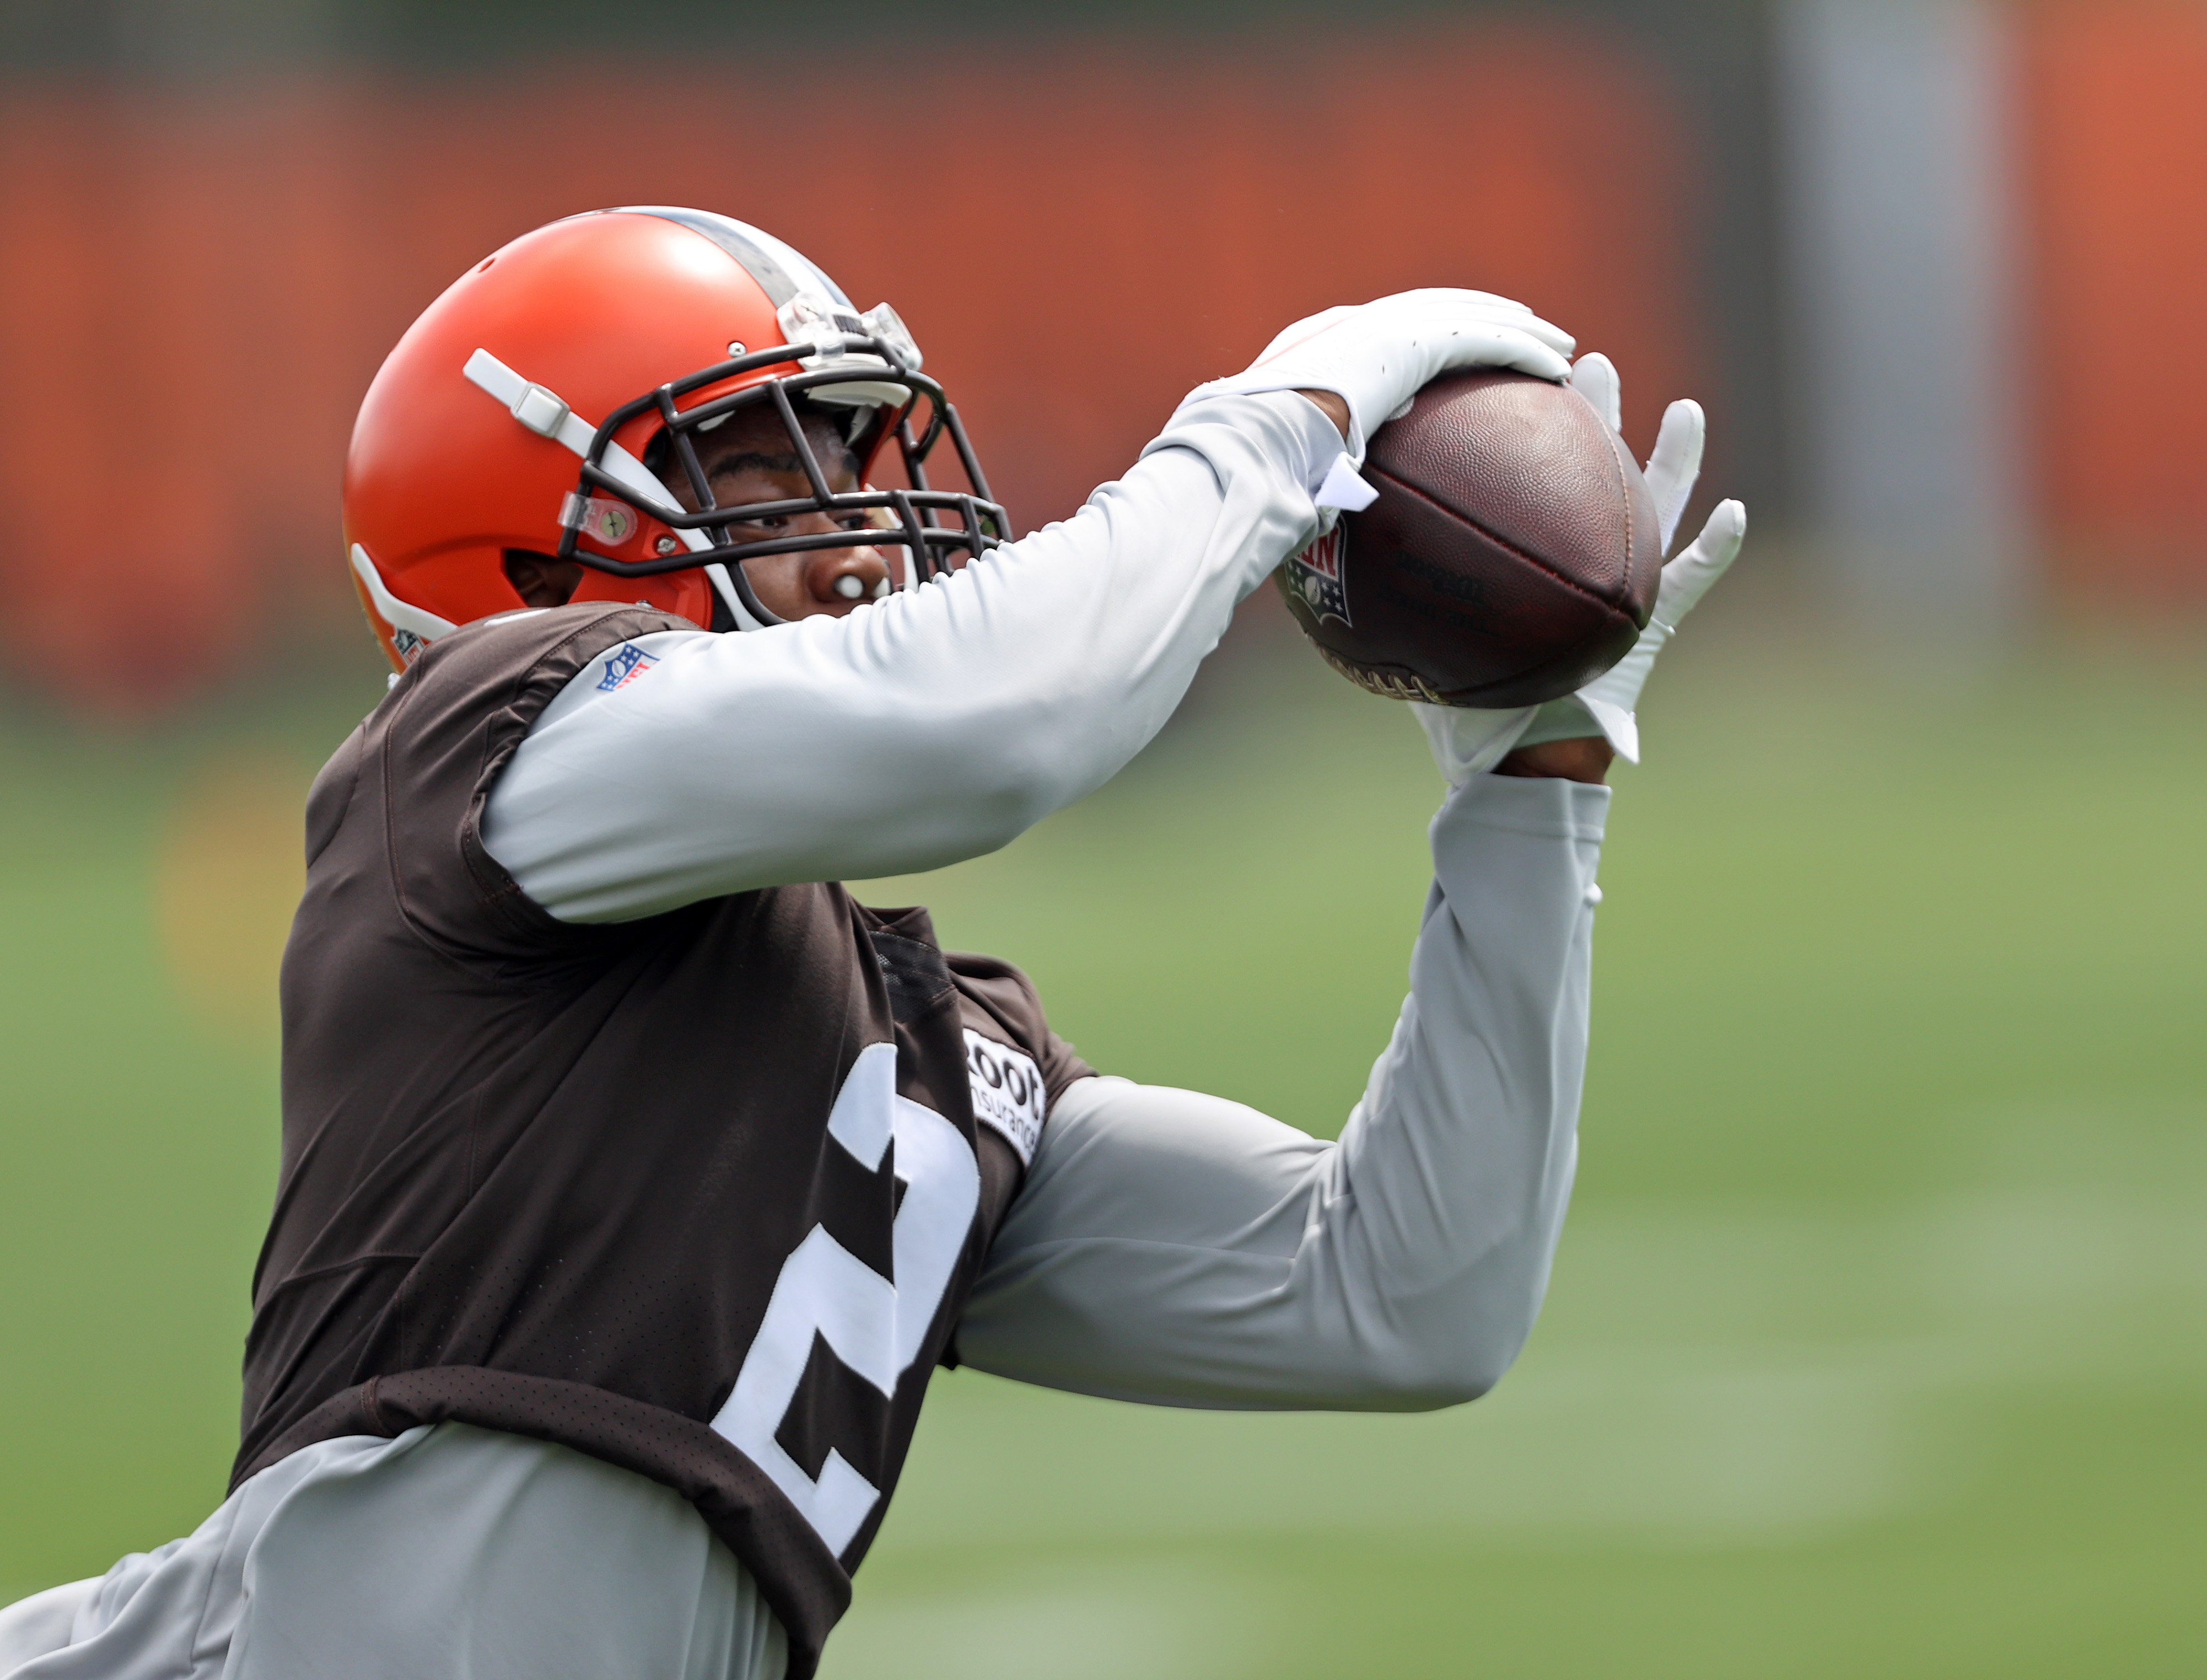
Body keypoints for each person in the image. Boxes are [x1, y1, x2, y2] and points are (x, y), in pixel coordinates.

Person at [0, 207, 1743, 1680]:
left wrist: (1537, 779)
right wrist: (1270, 428)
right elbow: (998, 731)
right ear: (539, 536)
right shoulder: (487, 746)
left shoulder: (915, 1043)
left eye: (849, 455)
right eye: (758, 463)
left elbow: (1400, 1297)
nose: (844, 521)